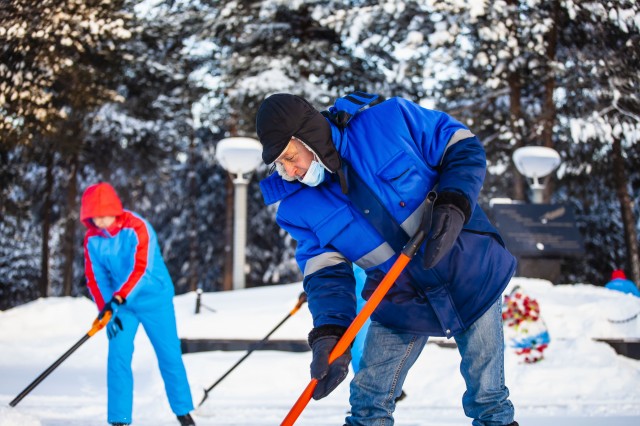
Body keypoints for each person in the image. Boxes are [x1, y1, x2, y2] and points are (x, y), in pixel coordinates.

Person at [257, 92, 519, 425]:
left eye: (291, 157)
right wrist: (331, 335)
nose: (289, 171)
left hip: (469, 272)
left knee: (489, 401)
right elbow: (326, 275)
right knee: (368, 405)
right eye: (280, 164)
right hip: (399, 298)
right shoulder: (298, 208)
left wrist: (454, 201)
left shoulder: (390, 121)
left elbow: (461, 144)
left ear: (309, 136)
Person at [80, 182, 196, 426]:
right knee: (118, 357)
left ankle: (183, 412)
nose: (99, 222)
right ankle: (119, 419)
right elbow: (95, 277)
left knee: (169, 355)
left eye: (103, 215)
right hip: (121, 306)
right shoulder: (92, 239)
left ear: (114, 209)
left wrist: (118, 298)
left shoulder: (138, 227)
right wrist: (106, 309)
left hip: (154, 299)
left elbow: (142, 269)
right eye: (94, 217)